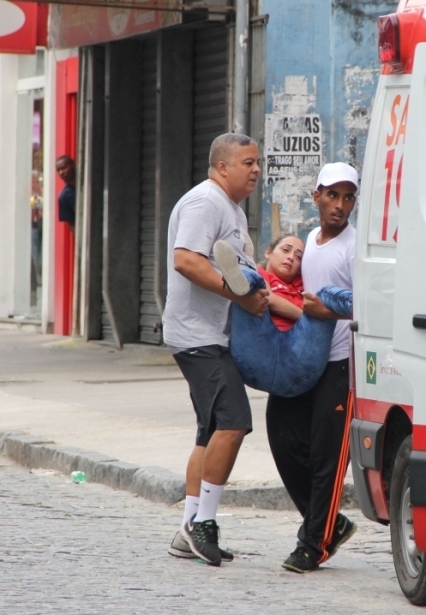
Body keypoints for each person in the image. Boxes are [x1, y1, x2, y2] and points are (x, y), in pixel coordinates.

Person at [162, 133, 269, 567]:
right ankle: (202, 524)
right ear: (222, 166)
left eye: (258, 162)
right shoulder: (205, 202)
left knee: (210, 432)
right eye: (248, 162)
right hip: (197, 336)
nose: (256, 169)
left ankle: (187, 528)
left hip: (210, 334)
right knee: (234, 422)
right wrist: (238, 296)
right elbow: (185, 259)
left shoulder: (232, 209)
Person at [268, 162, 361, 573]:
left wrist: (328, 311)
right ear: (316, 197)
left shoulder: (357, 247)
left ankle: (313, 545)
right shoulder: (311, 240)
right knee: (282, 435)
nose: (340, 205)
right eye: (333, 195)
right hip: (305, 360)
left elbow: (371, 305)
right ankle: (328, 523)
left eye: (348, 197)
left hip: (342, 365)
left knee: (327, 456)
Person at [214, 234, 353, 397]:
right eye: (285, 250)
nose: (291, 258)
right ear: (268, 252)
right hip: (258, 351)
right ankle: (238, 281)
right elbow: (269, 299)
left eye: (298, 256)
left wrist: (317, 311)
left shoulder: (303, 283)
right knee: (254, 280)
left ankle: (361, 305)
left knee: (324, 294)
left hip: (299, 362)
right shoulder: (262, 274)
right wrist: (307, 313)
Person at [55, 155, 76, 234]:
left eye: (63, 168)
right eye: (58, 170)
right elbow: (71, 225)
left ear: (73, 166)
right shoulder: (64, 197)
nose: (61, 173)